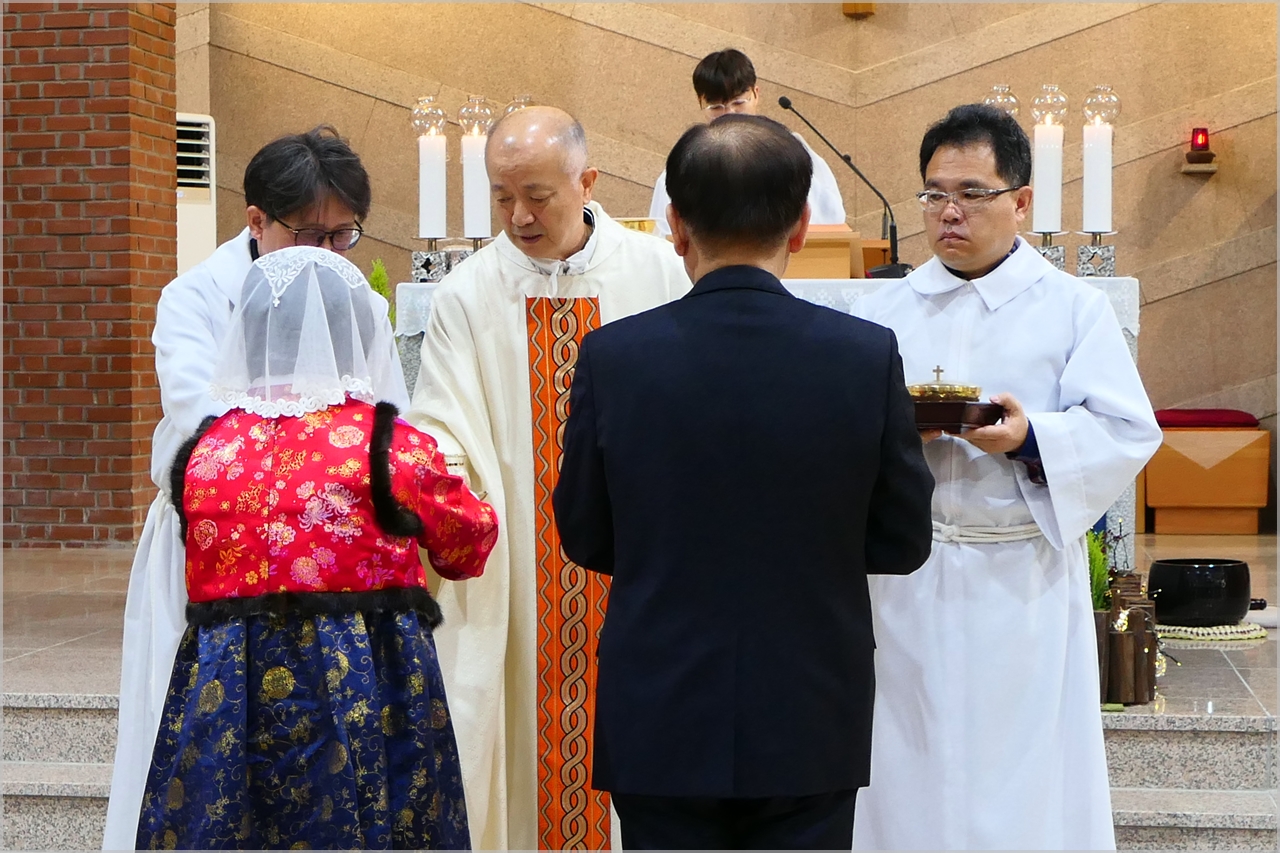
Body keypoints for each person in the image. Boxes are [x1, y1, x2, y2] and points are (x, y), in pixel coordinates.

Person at [552, 114, 935, 850]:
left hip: (660, 703)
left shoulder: (614, 357)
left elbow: (586, 535)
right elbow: (903, 539)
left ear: (676, 225)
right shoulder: (863, 355)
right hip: (810, 704)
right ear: (801, 227)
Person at [851, 103, 1162, 850]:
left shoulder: (1072, 309)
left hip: (1020, 578)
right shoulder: (883, 309)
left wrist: (1030, 440)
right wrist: (897, 431)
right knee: (907, 770)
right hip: (910, 579)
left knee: (1019, 777)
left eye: (971, 193)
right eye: (934, 194)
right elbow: (837, 435)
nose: (948, 212)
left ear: (1021, 201)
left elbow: (1127, 430)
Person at [133, 246, 496, 849]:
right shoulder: (389, 444)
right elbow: (467, 545)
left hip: (231, 693)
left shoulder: (205, 451)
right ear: (358, 331)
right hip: (367, 680)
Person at [102, 126, 405, 850]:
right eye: (310, 235)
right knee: (202, 751)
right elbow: (201, 423)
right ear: (256, 220)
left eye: (343, 236)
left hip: (329, 558)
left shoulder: (358, 299)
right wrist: (320, 459)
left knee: (327, 759)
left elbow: (393, 420)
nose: (328, 254)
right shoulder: (195, 297)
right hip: (219, 550)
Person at [407, 105, 691, 850]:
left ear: (586, 181)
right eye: (503, 198)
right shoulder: (467, 293)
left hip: (637, 564)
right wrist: (444, 476)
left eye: (537, 195)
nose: (519, 216)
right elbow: (441, 422)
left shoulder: (659, 272)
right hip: (518, 565)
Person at [647, 48, 846, 237]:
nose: (729, 114)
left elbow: (830, 221)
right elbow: (663, 233)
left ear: (756, 94)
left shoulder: (790, 151)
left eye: (739, 103)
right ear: (701, 102)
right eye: (716, 107)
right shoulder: (687, 163)